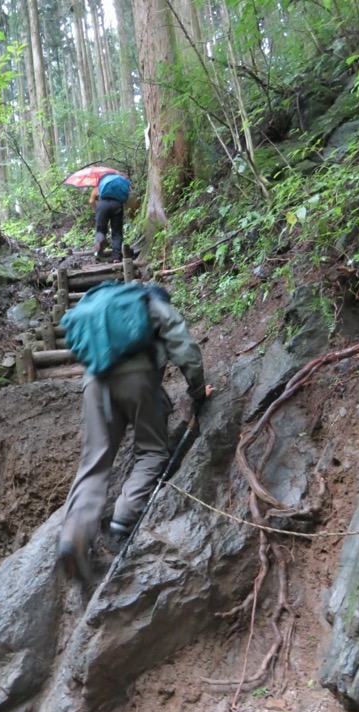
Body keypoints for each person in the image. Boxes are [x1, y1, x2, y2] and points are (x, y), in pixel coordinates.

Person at [58, 283, 214, 582]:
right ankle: (124, 519)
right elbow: (184, 346)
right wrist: (197, 391)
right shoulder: (152, 303)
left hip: (94, 383)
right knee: (152, 451)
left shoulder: (108, 305)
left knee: (95, 460)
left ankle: (74, 534)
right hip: (137, 379)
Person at [89, 174, 127, 263]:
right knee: (117, 233)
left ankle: (100, 241)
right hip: (117, 205)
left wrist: (96, 208)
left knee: (100, 230)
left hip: (102, 205)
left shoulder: (99, 186)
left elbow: (91, 201)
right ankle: (116, 257)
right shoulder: (118, 185)